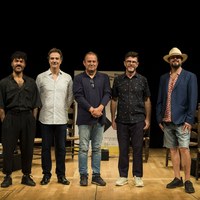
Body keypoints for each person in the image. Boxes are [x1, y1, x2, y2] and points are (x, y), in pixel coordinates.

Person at [156, 47, 198, 193]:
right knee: (173, 150)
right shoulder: (164, 78)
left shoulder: (189, 76)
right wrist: (159, 119)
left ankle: (187, 180)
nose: (175, 59)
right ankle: (177, 178)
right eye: (173, 57)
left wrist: (189, 119)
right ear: (169, 60)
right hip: (167, 121)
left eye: (178, 57)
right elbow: (160, 99)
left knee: (184, 150)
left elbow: (193, 100)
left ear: (181, 60)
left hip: (182, 121)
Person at [0, 51, 42, 188]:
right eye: (16, 61)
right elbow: (1, 105)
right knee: (8, 148)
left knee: (28, 148)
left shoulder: (31, 82)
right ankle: (7, 176)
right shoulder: (4, 82)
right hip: (11, 117)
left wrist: (32, 120)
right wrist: (5, 121)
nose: (18, 63)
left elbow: (36, 104)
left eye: (21, 61)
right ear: (12, 63)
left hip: (27, 117)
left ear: (24, 64)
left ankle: (26, 175)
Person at [110, 51, 151, 187]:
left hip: (138, 119)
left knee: (138, 149)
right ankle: (123, 176)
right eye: (129, 61)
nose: (131, 64)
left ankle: (138, 176)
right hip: (121, 120)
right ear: (124, 63)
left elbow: (147, 100)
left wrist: (148, 119)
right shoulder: (118, 80)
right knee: (123, 149)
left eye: (133, 61)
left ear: (137, 64)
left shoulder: (143, 80)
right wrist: (113, 118)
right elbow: (114, 100)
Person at [73, 51, 111, 186]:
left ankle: (96, 175)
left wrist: (100, 108)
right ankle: (83, 175)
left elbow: (107, 93)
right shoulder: (78, 79)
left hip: (100, 118)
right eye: (89, 61)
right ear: (84, 63)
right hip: (84, 119)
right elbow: (78, 96)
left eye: (94, 61)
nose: (91, 63)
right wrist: (91, 110)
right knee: (83, 148)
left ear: (97, 63)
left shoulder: (104, 77)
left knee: (96, 148)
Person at [36, 48, 73, 185]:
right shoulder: (41, 77)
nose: (54, 61)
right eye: (52, 58)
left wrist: (64, 108)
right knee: (45, 148)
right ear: (48, 60)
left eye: (57, 58)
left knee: (61, 149)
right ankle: (46, 175)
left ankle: (61, 175)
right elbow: (37, 98)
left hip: (61, 118)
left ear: (61, 60)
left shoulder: (67, 77)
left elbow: (70, 97)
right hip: (45, 118)